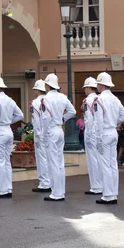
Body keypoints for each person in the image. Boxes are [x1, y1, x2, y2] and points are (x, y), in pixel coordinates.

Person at [93, 72, 124, 205]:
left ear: (101, 84)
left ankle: (108, 195)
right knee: (113, 164)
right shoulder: (115, 99)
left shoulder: (99, 99)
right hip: (113, 132)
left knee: (105, 165)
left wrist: (98, 138)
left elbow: (98, 121)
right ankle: (113, 192)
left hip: (104, 133)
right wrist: (114, 122)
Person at [41, 73, 76, 202]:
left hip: (51, 130)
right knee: (60, 163)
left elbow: (46, 118)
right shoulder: (63, 97)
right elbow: (73, 111)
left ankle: (56, 193)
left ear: (47, 85)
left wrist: (44, 135)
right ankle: (61, 191)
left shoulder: (46, 99)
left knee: (53, 163)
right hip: (60, 130)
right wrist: (62, 119)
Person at [0, 76, 24, 198]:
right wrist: (8, 121)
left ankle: (2, 190)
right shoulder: (10, 100)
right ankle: (8, 188)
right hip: (9, 131)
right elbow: (20, 115)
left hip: (0, 132)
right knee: (7, 162)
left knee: (0, 162)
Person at [81, 76, 103, 196]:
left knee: (92, 160)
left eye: (85, 87)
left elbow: (89, 119)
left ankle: (96, 186)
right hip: (99, 132)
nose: (84, 90)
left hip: (91, 132)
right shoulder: (99, 98)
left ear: (89, 88)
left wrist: (88, 134)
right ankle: (100, 184)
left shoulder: (89, 101)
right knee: (99, 160)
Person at [30, 79, 51, 193]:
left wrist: (38, 135)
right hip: (49, 132)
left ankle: (44, 183)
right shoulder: (48, 100)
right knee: (49, 158)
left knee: (41, 158)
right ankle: (50, 181)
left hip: (40, 133)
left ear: (37, 90)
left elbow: (36, 120)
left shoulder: (35, 103)